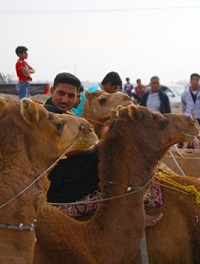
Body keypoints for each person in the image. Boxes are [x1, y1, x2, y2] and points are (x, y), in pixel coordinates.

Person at [45, 72, 162, 226]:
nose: (65, 99)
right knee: (112, 156)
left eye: (70, 96)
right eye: (61, 94)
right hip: (58, 180)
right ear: (52, 91)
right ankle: (130, 214)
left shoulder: (65, 114)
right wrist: (100, 146)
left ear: (76, 98)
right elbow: (61, 153)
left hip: (67, 170)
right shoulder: (47, 117)